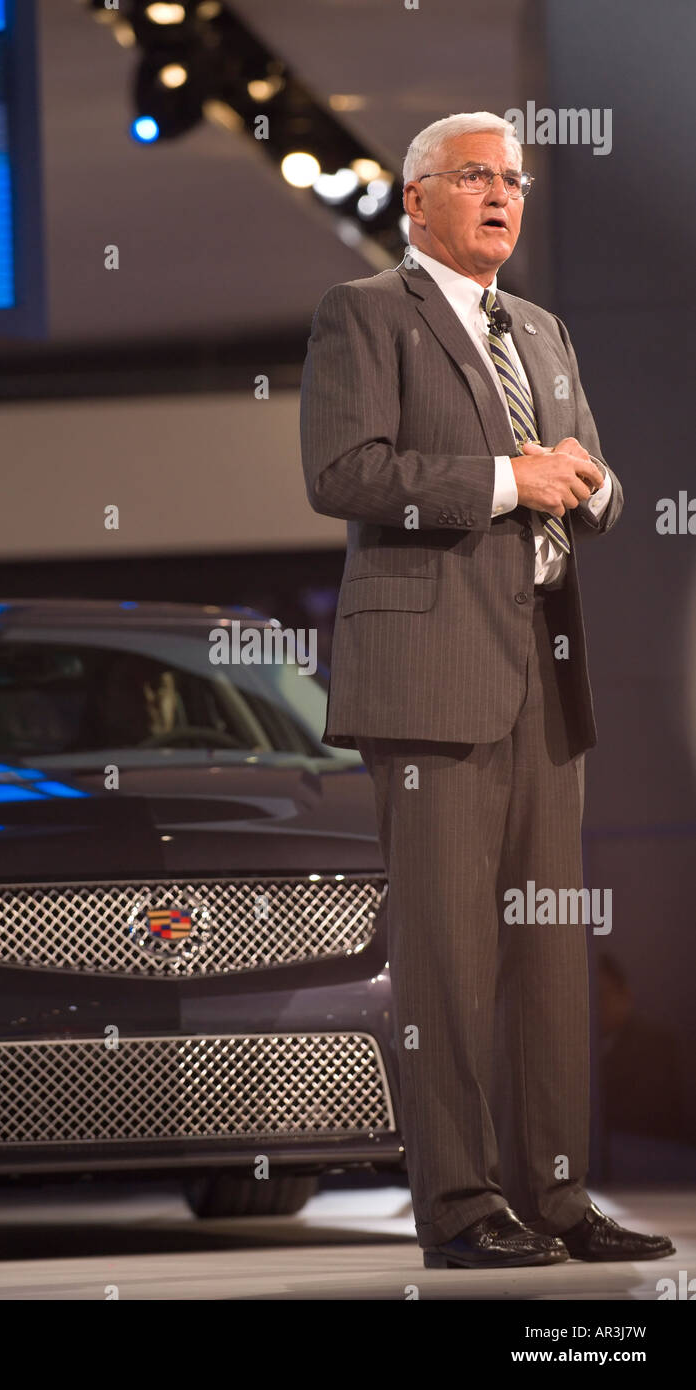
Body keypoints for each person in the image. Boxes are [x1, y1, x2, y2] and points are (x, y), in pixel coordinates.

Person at [300, 111, 674, 1269]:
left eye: (513, 177)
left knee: (549, 956)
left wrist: (586, 487)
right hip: (430, 678)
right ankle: (461, 1206)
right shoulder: (367, 313)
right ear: (416, 201)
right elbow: (344, 473)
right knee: (451, 959)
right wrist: (514, 478)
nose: (502, 194)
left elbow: (597, 482)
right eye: (475, 177)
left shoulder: (545, 331)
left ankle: (556, 1197)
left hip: (544, 676)